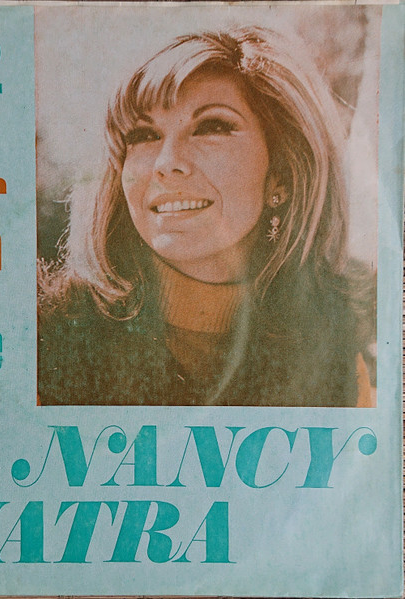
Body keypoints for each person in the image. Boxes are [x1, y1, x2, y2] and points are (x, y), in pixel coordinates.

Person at [37, 26, 376, 407]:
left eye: (211, 127)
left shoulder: (340, 355)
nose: (166, 163)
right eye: (144, 135)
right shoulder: (44, 338)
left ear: (280, 175)